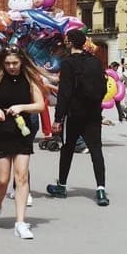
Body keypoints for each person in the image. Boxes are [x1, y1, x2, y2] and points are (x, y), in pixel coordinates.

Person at [0, 45, 46, 239]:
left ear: (21, 61)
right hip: (0, 129)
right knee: (2, 180)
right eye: (7, 63)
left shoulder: (30, 79)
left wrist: (22, 106)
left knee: (21, 176)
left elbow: (40, 105)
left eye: (15, 63)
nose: (12, 66)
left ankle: (21, 222)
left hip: (21, 129)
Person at [46, 29, 109, 207]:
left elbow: (64, 94)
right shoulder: (95, 62)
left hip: (74, 114)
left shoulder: (68, 64)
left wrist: (58, 118)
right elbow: (103, 88)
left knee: (67, 149)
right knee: (96, 150)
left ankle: (62, 186)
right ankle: (101, 189)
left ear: (71, 43)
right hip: (94, 114)